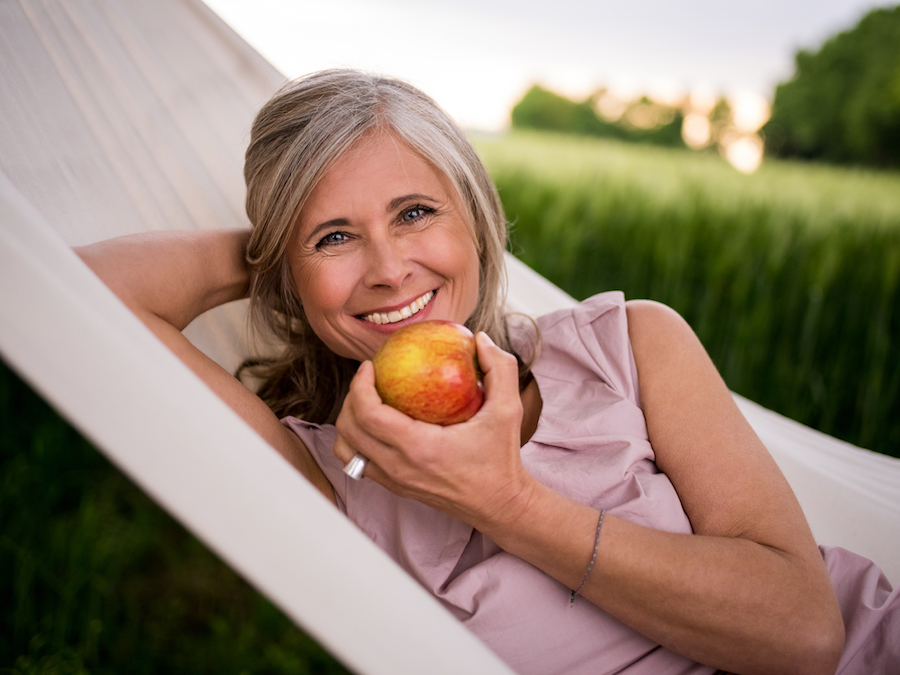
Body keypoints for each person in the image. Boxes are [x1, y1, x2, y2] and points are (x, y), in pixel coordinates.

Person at [75, 69, 897, 675]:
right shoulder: (323, 476)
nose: (391, 269)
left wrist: (507, 504)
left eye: (416, 212)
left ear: (478, 218)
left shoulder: (629, 348)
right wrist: (281, 253)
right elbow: (73, 292)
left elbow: (806, 632)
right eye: (336, 237)